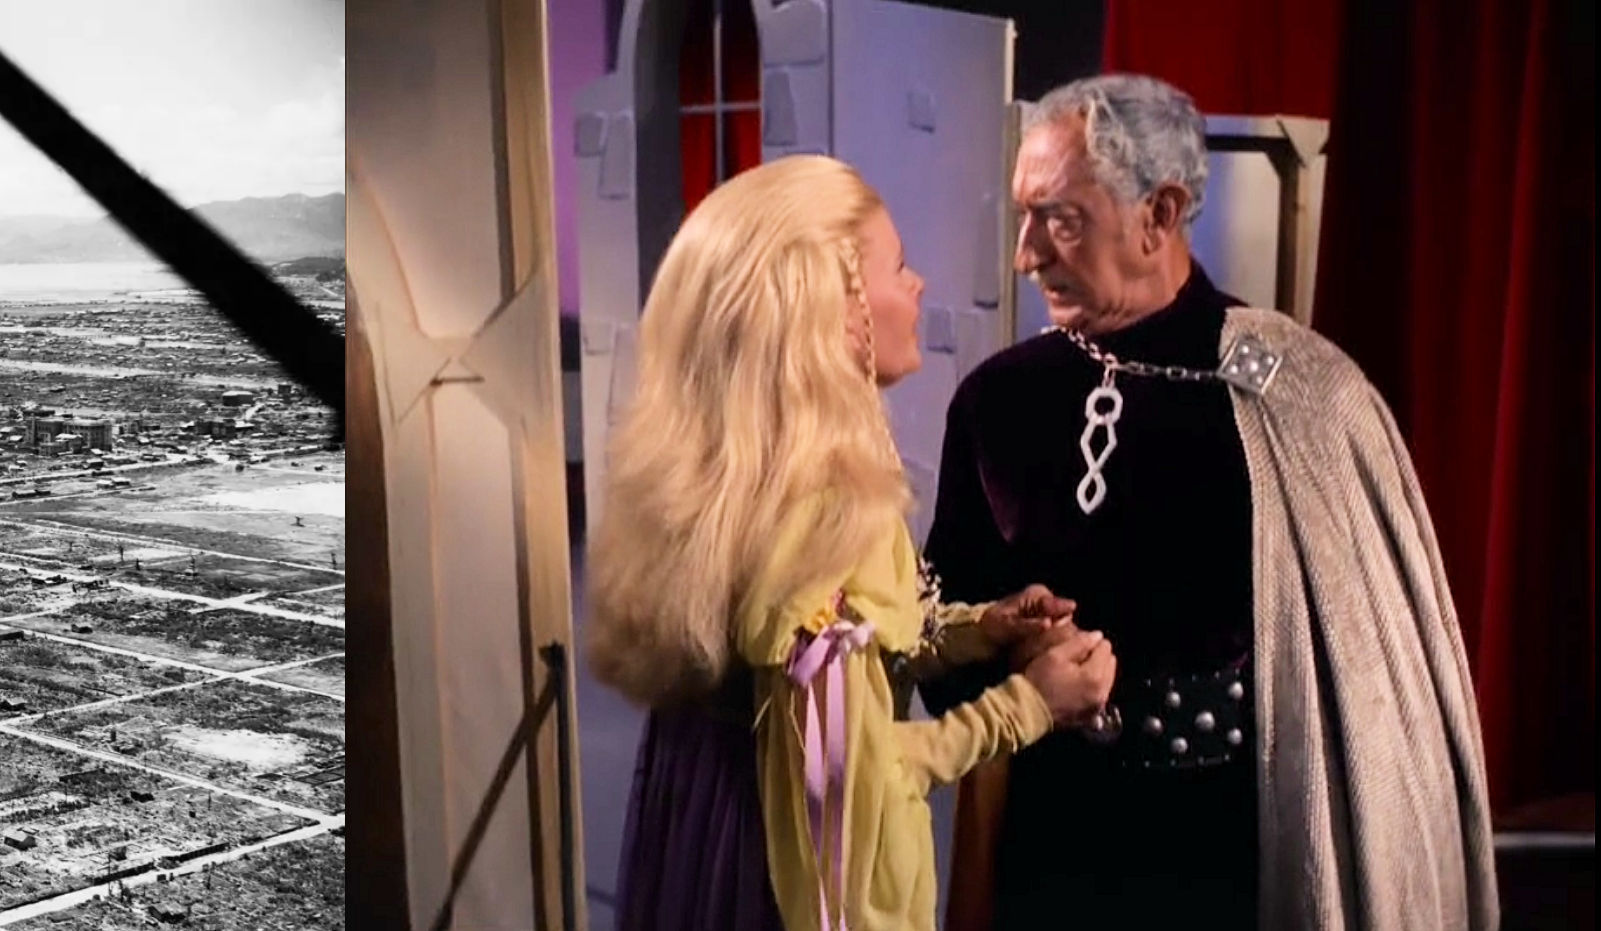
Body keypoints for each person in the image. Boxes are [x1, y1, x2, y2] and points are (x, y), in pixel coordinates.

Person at [920, 74, 1496, 930]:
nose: (1026, 254)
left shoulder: (1302, 394)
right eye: (1023, 216)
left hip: (1235, 855)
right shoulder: (996, 401)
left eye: (1060, 218)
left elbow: (1370, 679)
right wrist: (1003, 644)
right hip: (1050, 849)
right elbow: (940, 646)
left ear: (1158, 214)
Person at [582, 154, 1117, 931]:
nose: (917, 285)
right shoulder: (830, 516)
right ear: (832, 310)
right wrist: (1030, 705)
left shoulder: (721, 480)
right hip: (773, 877)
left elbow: (824, 677)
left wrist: (976, 629)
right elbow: (846, 786)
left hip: (701, 832)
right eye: (896, 267)